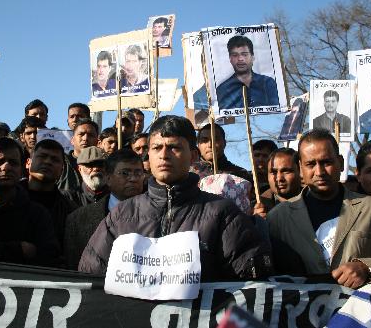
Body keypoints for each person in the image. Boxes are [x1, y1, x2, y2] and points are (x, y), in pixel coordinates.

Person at [78, 115, 273, 281]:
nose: (164, 155)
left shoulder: (223, 214)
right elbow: (90, 280)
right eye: (156, 148)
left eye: (174, 147)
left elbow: (251, 287)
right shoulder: (121, 215)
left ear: (193, 155)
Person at [267, 129, 371, 287]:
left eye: (326, 162)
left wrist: (367, 268)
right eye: (311, 164)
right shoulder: (278, 218)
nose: (319, 172)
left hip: (359, 309)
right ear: (300, 168)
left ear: (340, 163)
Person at [0, 138, 60, 266]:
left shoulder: (38, 214)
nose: (6, 167)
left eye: (13, 163)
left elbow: (49, 257)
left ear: (21, 170)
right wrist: (18, 249)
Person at [64, 149, 144, 270]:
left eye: (138, 173)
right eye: (125, 173)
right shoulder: (78, 220)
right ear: (108, 178)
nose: (133, 178)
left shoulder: (161, 214)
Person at [26, 139, 78, 252]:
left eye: (55, 159)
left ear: (61, 170)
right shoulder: (9, 197)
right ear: (28, 163)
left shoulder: (70, 210)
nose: (48, 162)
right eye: (42, 156)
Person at [216, 36, 279, 111]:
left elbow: (277, 110)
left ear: (252, 57)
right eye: (235, 55)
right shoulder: (222, 89)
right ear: (230, 59)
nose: (240, 59)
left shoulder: (268, 83)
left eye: (244, 54)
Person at [256, 148, 303, 218]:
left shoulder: (315, 200)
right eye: (273, 172)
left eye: (286, 171)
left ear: (300, 171)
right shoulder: (257, 207)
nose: (279, 178)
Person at [57, 118, 99, 191]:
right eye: (81, 134)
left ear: (97, 141)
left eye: (90, 135)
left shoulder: (104, 166)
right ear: (72, 140)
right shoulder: (60, 163)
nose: (85, 138)